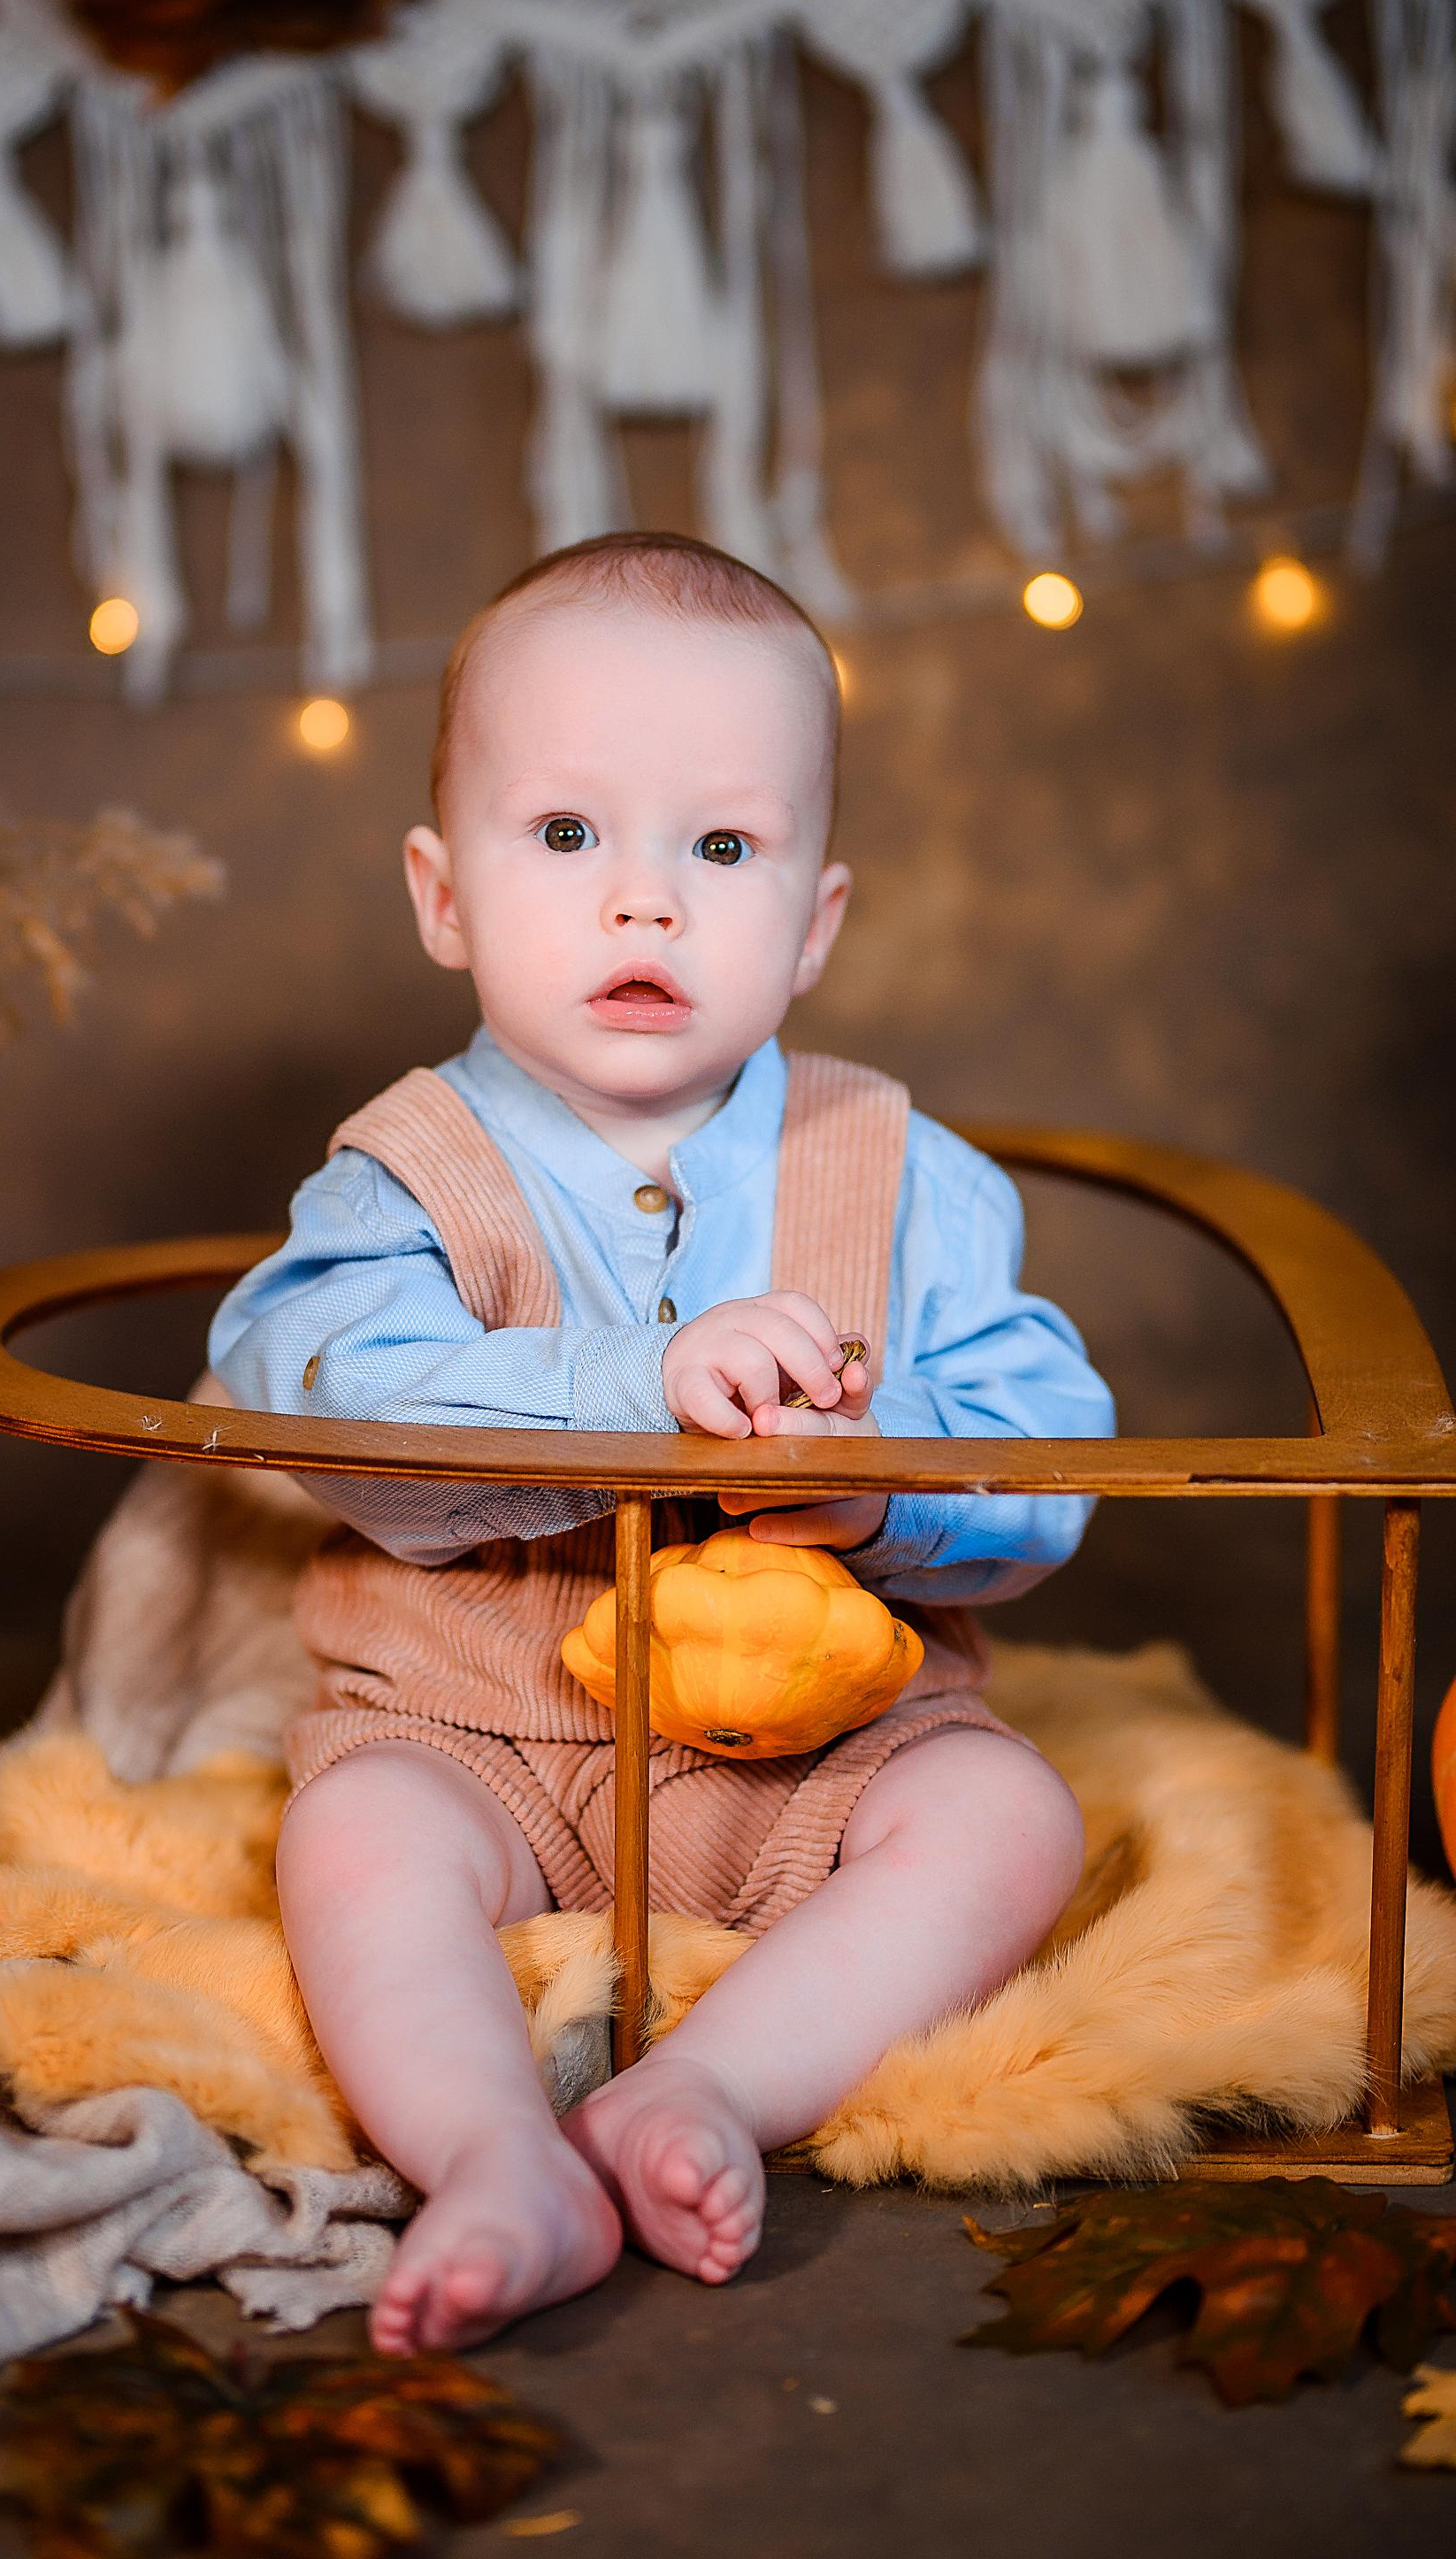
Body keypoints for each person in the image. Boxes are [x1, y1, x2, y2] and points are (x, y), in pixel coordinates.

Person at [211, 531, 1114, 2356]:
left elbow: (1055, 1453)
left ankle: (705, 2092)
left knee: (1009, 1818)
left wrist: (886, 1493)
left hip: (828, 1749)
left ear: (816, 919)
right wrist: (633, 1377)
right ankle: (492, 2160)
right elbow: (296, 1381)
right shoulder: (403, 1169)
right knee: (358, 1842)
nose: (647, 907)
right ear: (441, 892)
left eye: (721, 849)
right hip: (480, 1732)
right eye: (566, 838)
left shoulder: (906, 1171)